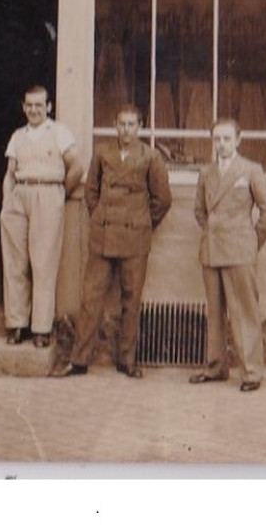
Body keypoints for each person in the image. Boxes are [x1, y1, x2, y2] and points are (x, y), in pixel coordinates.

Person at [55, 104, 172, 378]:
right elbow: (90, 191)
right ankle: (80, 360)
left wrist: (142, 221)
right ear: (115, 125)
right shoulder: (102, 153)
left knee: (131, 299)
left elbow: (163, 200)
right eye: (121, 124)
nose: (126, 130)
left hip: (135, 237)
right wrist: (100, 216)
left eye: (132, 124)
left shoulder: (151, 156)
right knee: (91, 298)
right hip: (103, 236)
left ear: (140, 127)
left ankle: (127, 361)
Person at [189, 118, 266, 392]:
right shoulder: (206, 173)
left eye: (227, 139)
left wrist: (251, 242)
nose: (222, 144)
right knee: (214, 313)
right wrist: (214, 232)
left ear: (238, 140)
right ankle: (216, 367)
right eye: (217, 139)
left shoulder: (251, 170)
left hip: (239, 251)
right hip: (212, 250)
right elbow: (199, 211)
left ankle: (252, 372)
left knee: (243, 313)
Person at [0, 85, 83, 347]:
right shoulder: (17, 136)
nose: (34, 110)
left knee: (43, 262)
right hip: (19, 195)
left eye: (39, 105)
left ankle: (41, 328)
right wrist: (7, 202)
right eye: (29, 105)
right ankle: (16, 324)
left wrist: (60, 193)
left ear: (48, 106)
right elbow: (10, 172)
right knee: (15, 262)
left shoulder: (59, 133)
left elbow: (77, 168)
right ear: (24, 107)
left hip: (48, 195)